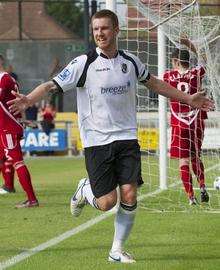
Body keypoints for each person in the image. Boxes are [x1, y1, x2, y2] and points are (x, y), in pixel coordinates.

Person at [7, 10, 213, 263]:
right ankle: (84, 190)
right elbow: (51, 85)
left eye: (104, 28)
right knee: (106, 202)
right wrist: (28, 99)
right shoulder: (84, 63)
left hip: (126, 138)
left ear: (116, 30)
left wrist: (189, 98)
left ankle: (116, 250)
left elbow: (155, 84)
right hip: (97, 141)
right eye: (95, 29)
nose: (99, 33)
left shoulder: (131, 61)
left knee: (129, 194)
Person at [163, 39, 209, 206]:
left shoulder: (168, 76)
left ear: (175, 61)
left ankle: (191, 197)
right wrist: (190, 44)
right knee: (196, 156)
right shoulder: (197, 73)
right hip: (196, 122)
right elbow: (205, 59)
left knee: (183, 161)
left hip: (179, 123)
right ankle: (203, 187)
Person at [0, 54, 39, 208]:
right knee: (6, 159)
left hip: (7, 128)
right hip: (7, 126)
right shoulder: (8, 79)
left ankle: (32, 199)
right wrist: (22, 120)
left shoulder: (4, 79)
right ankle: (9, 186)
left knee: (17, 162)